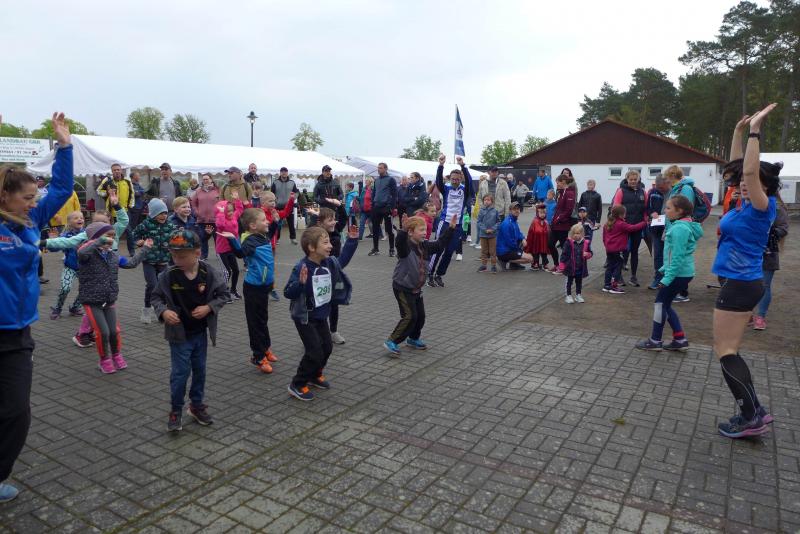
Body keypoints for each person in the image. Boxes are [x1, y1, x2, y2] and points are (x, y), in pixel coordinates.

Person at [0, 112, 72, 503]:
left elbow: (61, 188)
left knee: (15, 413)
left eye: (33, 198)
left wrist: (64, 145)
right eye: (26, 198)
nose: (33, 203)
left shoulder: (30, 223)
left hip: (16, 334)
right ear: (4, 196)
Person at [712, 105, 780, 439]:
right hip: (741, 282)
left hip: (740, 284)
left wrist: (755, 130)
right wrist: (738, 132)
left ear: (763, 187)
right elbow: (741, 170)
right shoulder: (743, 205)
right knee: (731, 350)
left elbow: (750, 174)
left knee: (726, 352)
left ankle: (749, 416)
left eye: (748, 183)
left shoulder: (761, 207)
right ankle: (756, 409)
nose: (740, 183)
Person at [152, 229, 230, 432]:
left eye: (182, 256)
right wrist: (163, 312)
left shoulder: (208, 272)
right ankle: (175, 409)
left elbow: (224, 294)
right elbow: (156, 297)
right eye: (174, 255)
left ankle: (196, 405)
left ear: (197, 253)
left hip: (199, 333)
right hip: (179, 336)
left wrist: (209, 307)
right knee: (180, 373)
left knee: (200, 371)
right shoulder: (168, 275)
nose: (177, 260)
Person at [284, 226, 357, 401]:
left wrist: (352, 242)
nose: (330, 246)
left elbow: (342, 261)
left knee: (327, 348)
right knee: (314, 351)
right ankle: (297, 384)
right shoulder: (302, 267)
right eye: (325, 243)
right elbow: (288, 292)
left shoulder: (329, 262)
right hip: (305, 317)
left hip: (322, 315)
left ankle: (315, 374)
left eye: (329, 242)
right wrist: (300, 283)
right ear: (311, 247)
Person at [77, 222, 151, 373]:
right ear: (96, 238)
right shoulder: (87, 254)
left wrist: (145, 249)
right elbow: (82, 252)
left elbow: (131, 263)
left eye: (113, 236)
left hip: (109, 299)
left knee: (114, 331)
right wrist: (99, 241)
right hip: (92, 301)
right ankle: (104, 360)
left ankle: (116, 355)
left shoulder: (113, 256)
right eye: (108, 236)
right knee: (103, 332)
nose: (111, 239)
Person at [635, 195, 702, 351]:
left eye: (668, 208)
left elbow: (677, 257)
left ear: (679, 211)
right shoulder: (682, 225)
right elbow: (674, 255)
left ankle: (655, 340)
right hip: (681, 273)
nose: (665, 211)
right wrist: (665, 268)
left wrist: (667, 278)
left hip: (677, 274)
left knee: (660, 305)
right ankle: (679, 339)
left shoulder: (679, 229)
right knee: (665, 304)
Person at [384, 214, 456, 355]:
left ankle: (413, 338)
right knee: (409, 316)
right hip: (403, 287)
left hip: (416, 288)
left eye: (425, 229)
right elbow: (399, 242)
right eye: (421, 230)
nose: (424, 232)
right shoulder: (405, 247)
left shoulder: (425, 246)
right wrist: (403, 230)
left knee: (420, 317)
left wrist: (451, 229)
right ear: (411, 232)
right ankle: (392, 341)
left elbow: (440, 244)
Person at [218, 208, 280, 373]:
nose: (267, 222)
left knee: (263, 320)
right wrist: (232, 239)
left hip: (264, 286)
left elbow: (271, 233)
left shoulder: (263, 236)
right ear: (253, 225)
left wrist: (276, 222)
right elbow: (240, 253)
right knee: (255, 323)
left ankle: (265, 348)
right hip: (253, 288)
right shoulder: (251, 241)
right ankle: (258, 356)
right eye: (263, 220)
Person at [427, 154, 474, 287]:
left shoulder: (464, 190)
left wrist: (463, 166)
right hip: (445, 222)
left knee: (449, 252)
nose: (454, 181)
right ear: (450, 178)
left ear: (461, 179)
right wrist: (441, 165)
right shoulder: (446, 188)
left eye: (457, 179)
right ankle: (429, 274)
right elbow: (438, 181)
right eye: (452, 179)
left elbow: (469, 182)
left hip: (457, 225)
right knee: (438, 248)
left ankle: (439, 275)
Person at [312, 207, 356, 344]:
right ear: (320, 223)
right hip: (319, 279)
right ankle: (316, 332)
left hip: (334, 275)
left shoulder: (335, 234)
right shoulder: (313, 238)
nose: (334, 222)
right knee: (318, 305)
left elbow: (340, 262)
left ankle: (333, 331)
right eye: (330, 220)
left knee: (334, 304)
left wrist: (351, 241)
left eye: (334, 219)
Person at [133, 198, 177, 323]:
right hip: (149, 261)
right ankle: (147, 309)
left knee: (163, 286)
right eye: (160, 213)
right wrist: (139, 241)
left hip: (164, 261)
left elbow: (176, 237)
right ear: (153, 213)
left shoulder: (170, 225)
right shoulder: (145, 224)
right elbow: (134, 234)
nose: (163, 216)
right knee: (152, 285)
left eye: (165, 213)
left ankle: (161, 310)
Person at [752, 197, 788, 330]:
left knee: (764, 285)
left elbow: (783, 228)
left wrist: (769, 232)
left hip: (768, 253)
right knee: (747, 284)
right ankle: (747, 313)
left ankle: (760, 317)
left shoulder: (777, 208)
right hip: (749, 251)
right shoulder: (750, 204)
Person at [259, 190, 296, 301]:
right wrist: (274, 221)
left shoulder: (274, 212)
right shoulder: (260, 213)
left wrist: (291, 200)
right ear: (263, 203)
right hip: (262, 246)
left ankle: (271, 288)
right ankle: (263, 288)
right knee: (263, 268)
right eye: (270, 201)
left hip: (272, 246)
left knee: (270, 268)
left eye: (274, 201)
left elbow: (286, 213)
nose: (273, 203)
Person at [602, 205, 647, 294]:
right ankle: (614, 286)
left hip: (609, 249)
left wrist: (607, 246)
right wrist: (644, 223)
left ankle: (607, 285)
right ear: (621, 215)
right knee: (618, 267)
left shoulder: (607, 224)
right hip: (618, 250)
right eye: (625, 213)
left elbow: (604, 237)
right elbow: (633, 228)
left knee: (610, 266)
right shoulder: (621, 224)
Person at [49, 210, 85, 319]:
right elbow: (54, 249)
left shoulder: (87, 233)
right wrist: (53, 241)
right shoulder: (65, 235)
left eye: (81, 217)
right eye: (76, 218)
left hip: (85, 268)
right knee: (65, 288)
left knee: (87, 289)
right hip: (70, 267)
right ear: (69, 222)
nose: (80, 219)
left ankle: (75, 307)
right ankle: (58, 308)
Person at [612, 170, 646, 286]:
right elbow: (616, 208)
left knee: (635, 252)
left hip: (637, 226)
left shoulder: (643, 192)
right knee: (622, 251)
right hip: (624, 227)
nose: (633, 181)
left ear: (638, 180)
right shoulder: (621, 191)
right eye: (631, 179)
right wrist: (620, 222)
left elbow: (645, 208)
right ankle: (618, 276)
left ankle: (633, 276)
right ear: (627, 179)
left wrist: (645, 219)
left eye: (635, 179)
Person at [214, 192, 245, 300]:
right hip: (222, 250)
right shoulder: (220, 219)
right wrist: (221, 213)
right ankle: (222, 292)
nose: (231, 213)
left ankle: (233, 291)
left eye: (231, 210)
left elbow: (240, 210)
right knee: (227, 272)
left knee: (236, 270)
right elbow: (221, 225)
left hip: (231, 249)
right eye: (228, 211)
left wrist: (237, 200)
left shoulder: (234, 216)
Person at [547, 174, 577, 274]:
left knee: (565, 247)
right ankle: (556, 265)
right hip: (555, 225)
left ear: (563, 181)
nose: (557, 184)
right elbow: (558, 209)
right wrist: (554, 219)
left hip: (563, 225)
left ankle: (565, 266)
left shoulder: (570, 193)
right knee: (550, 244)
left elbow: (568, 211)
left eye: (558, 182)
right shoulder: (560, 192)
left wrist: (558, 218)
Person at [645, 174, 670, 290]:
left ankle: (668, 279)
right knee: (658, 255)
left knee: (668, 255)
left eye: (662, 187)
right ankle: (658, 278)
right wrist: (651, 213)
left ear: (667, 183)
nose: (660, 189)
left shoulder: (673, 193)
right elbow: (647, 208)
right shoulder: (653, 192)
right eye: (658, 187)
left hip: (669, 229)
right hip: (656, 229)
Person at [368, 162, 398, 256]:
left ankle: (392, 249)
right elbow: (374, 193)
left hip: (386, 207)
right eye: (378, 168)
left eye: (380, 168)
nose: (378, 169)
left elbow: (395, 194)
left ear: (385, 169)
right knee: (375, 229)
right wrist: (373, 204)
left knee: (389, 229)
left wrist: (392, 207)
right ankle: (375, 249)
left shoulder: (391, 180)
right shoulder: (376, 180)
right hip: (376, 207)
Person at [559, 223, 592, 303]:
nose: (576, 235)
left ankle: (578, 295)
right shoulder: (568, 242)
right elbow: (564, 254)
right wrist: (562, 264)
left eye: (578, 233)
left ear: (582, 234)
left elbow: (590, 252)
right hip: (570, 267)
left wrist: (587, 254)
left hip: (580, 267)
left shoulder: (585, 243)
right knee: (569, 282)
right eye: (574, 233)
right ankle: (568, 295)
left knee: (579, 282)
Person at [190, 174, 219, 260]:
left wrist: (220, 213)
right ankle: (204, 255)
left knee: (217, 238)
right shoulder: (198, 191)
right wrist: (196, 212)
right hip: (202, 219)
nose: (205, 181)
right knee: (203, 238)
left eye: (207, 179)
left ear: (211, 180)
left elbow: (222, 202)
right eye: (204, 179)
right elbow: (193, 202)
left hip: (215, 219)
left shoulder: (217, 190)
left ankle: (219, 254)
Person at [496, 202, 533, 270]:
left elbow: (518, 233)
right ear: (510, 211)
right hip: (504, 251)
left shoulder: (513, 220)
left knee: (524, 240)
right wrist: (519, 250)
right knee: (530, 258)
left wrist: (523, 238)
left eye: (518, 209)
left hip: (509, 248)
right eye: (514, 209)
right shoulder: (507, 223)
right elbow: (509, 242)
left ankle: (514, 265)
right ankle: (503, 260)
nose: (517, 210)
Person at [271, 166, 300, 244]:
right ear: (280, 173)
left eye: (285, 171)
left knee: (291, 224)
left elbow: (297, 192)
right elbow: (271, 193)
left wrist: (293, 198)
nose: (284, 173)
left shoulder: (292, 182)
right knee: (277, 224)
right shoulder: (275, 182)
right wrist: (274, 201)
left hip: (289, 206)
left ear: (287, 173)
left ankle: (293, 238)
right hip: (278, 206)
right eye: (282, 171)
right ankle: (277, 239)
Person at [476, 194, 499, 273]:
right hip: (483, 235)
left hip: (492, 235)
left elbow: (498, 222)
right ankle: (484, 265)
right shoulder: (481, 211)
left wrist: (493, 229)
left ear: (492, 201)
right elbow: (479, 222)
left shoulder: (495, 211)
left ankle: (493, 266)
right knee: (484, 251)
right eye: (485, 200)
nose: (486, 201)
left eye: (488, 200)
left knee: (492, 251)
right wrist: (485, 229)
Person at [525, 203, 551, 270]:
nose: (542, 215)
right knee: (535, 253)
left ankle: (545, 263)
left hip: (544, 241)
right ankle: (535, 263)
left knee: (544, 253)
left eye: (544, 213)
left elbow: (549, 232)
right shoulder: (535, 221)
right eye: (541, 213)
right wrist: (529, 241)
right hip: (536, 241)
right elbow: (530, 232)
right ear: (537, 213)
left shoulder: (546, 222)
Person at [128, 172, 146, 254]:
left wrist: (139, 192)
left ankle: (138, 241)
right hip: (134, 208)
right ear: (133, 177)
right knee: (133, 226)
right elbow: (134, 194)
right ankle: (133, 243)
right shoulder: (130, 184)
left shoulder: (138, 184)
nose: (139, 177)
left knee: (139, 225)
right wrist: (138, 192)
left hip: (140, 208)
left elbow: (143, 191)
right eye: (138, 175)